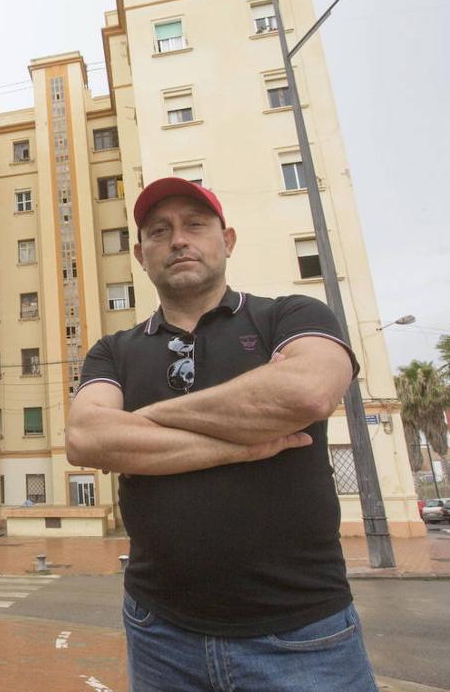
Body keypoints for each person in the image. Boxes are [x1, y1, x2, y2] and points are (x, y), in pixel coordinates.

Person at [65, 177, 377, 691]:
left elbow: (306, 395)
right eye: (160, 231)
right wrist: (242, 442)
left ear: (226, 241)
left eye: (195, 225)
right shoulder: (113, 350)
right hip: (159, 632)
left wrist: (142, 422)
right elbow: (86, 439)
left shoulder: (292, 314)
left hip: (301, 635)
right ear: (141, 255)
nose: (179, 240)